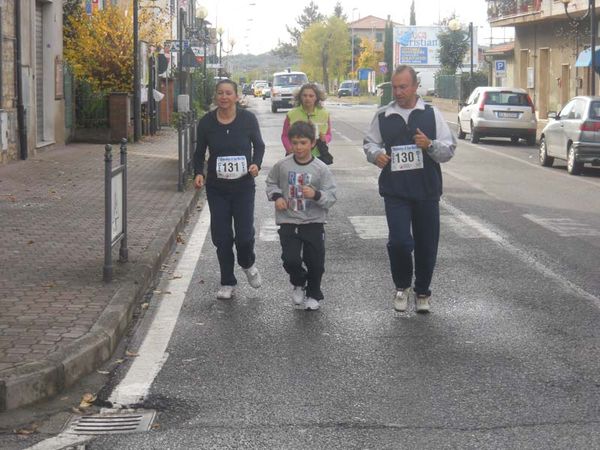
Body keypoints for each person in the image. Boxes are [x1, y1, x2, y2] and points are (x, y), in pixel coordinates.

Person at [363, 65, 456, 313]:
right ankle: (402, 285)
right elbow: (370, 144)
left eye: (403, 87)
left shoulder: (431, 114)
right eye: (394, 87)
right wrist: (376, 156)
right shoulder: (383, 115)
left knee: (427, 244)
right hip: (396, 191)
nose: (398, 91)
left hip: (426, 189)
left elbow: (448, 150)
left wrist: (430, 145)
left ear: (416, 87)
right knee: (400, 242)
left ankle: (423, 291)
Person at [193, 79, 265, 300]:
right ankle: (227, 281)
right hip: (217, 188)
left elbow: (259, 145)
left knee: (244, 235)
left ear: (236, 96)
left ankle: (247, 263)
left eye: (228, 93)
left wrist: (256, 164)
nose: (224, 97)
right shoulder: (206, 123)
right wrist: (198, 172)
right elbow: (199, 152)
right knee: (222, 237)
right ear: (216, 96)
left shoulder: (248, 119)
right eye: (220, 93)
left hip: (243, 186)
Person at [266, 121, 337, 311]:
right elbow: (271, 182)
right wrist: (277, 196)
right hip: (288, 220)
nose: (298, 147)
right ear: (290, 143)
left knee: (315, 262)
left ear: (312, 143)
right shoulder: (282, 165)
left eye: (303, 143)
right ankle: (298, 282)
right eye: (295, 143)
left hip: (313, 222)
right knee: (290, 260)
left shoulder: (321, 169)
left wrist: (316, 194)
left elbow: (331, 196)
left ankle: (314, 293)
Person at [281, 83, 332, 163]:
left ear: (316, 98)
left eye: (311, 96)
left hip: (317, 156)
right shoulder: (291, 114)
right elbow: (284, 136)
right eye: (304, 95)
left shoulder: (325, 114)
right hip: (296, 156)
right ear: (300, 97)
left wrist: (325, 139)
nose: (307, 98)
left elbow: (329, 134)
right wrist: (289, 148)